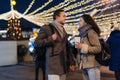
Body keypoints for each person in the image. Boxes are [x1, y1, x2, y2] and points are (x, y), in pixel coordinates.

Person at [34, 9, 70, 80]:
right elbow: (37, 43)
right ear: (57, 17)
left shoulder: (63, 30)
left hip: (63, 65)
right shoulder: (47, 28)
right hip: (53, 65)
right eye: (63, 16)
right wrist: (51, 39)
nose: (65, 18)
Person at [75, 14, 101, 80]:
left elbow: (98, 48)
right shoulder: (82, 34)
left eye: (80, 20)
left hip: (92, 65)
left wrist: (83, 47)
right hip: (84, 65)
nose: (78, 22)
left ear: (85, 22)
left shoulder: (91, 32)